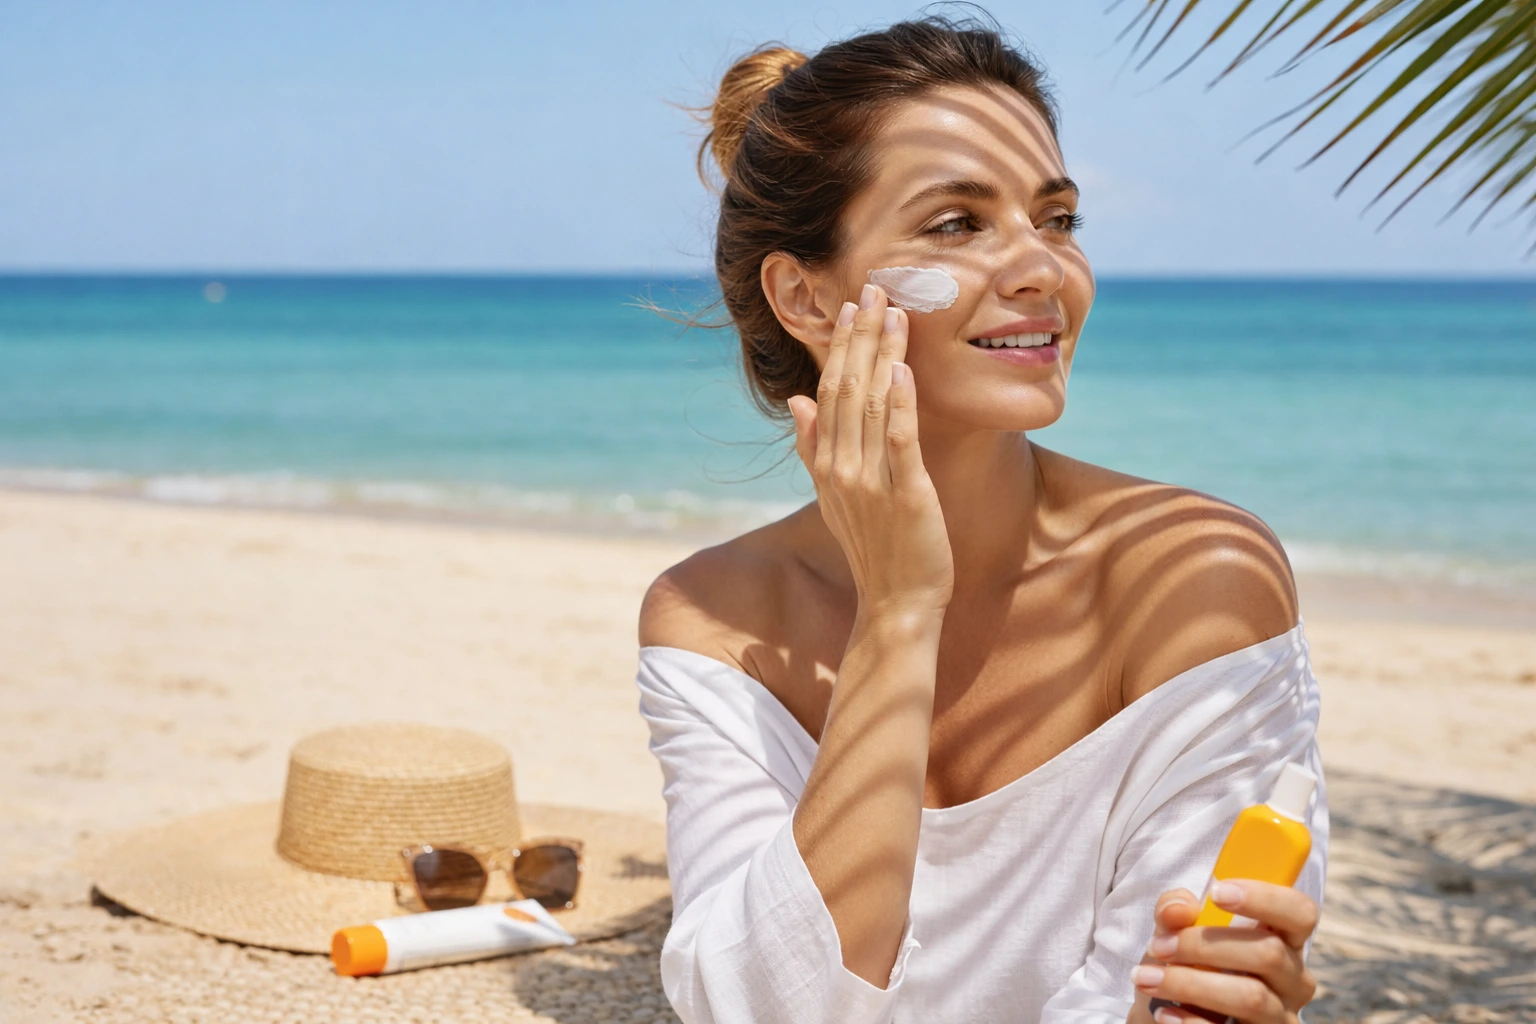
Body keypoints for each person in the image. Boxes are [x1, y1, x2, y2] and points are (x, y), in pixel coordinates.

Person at [636, 16, 1326, 1024]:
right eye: (957, 224)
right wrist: (901, 608)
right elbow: (756, 1006)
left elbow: (1181, 998)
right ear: (808, 297)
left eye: (1056, 219)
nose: (1043, 269)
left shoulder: (1194, 579)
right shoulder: (714, 620)